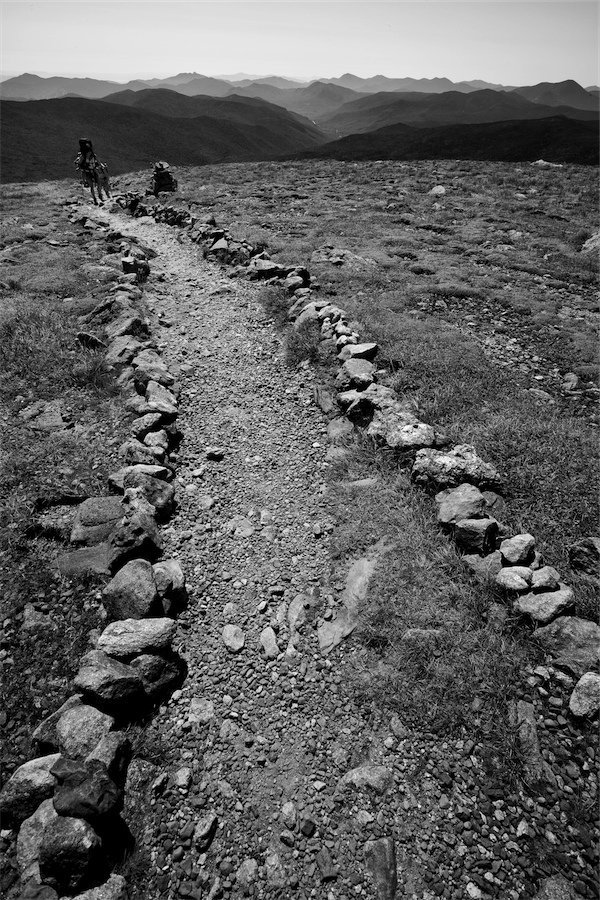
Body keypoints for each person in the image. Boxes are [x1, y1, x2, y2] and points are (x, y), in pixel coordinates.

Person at [75, 138, 110, 205]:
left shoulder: (93, 156)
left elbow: (99, 162)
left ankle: (100, 195)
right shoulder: (83, 156)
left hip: (93, 170)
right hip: (87, 171)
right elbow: (79, 163)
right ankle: (94, 198)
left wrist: (101, 166)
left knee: (99, 183)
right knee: (91, 186)